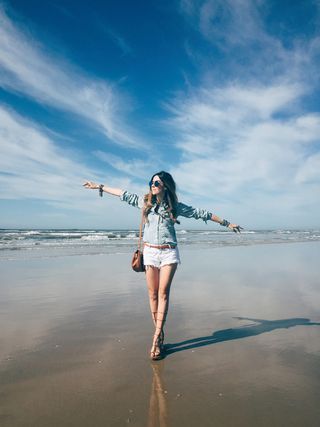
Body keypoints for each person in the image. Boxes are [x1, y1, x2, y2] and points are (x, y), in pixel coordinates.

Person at [83, 171, 242, 360]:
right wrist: (100, 186)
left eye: (157, 182)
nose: (153, 184)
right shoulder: (145, 203)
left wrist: (227, 223)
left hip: (168, 252)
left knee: (163, 293)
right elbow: (122, 193)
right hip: (150, 252)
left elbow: (202, 214)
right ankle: (159, 333)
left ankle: (156, 337)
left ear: (165, 185)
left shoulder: (175, 207)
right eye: (151, 181)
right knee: (152, 294)